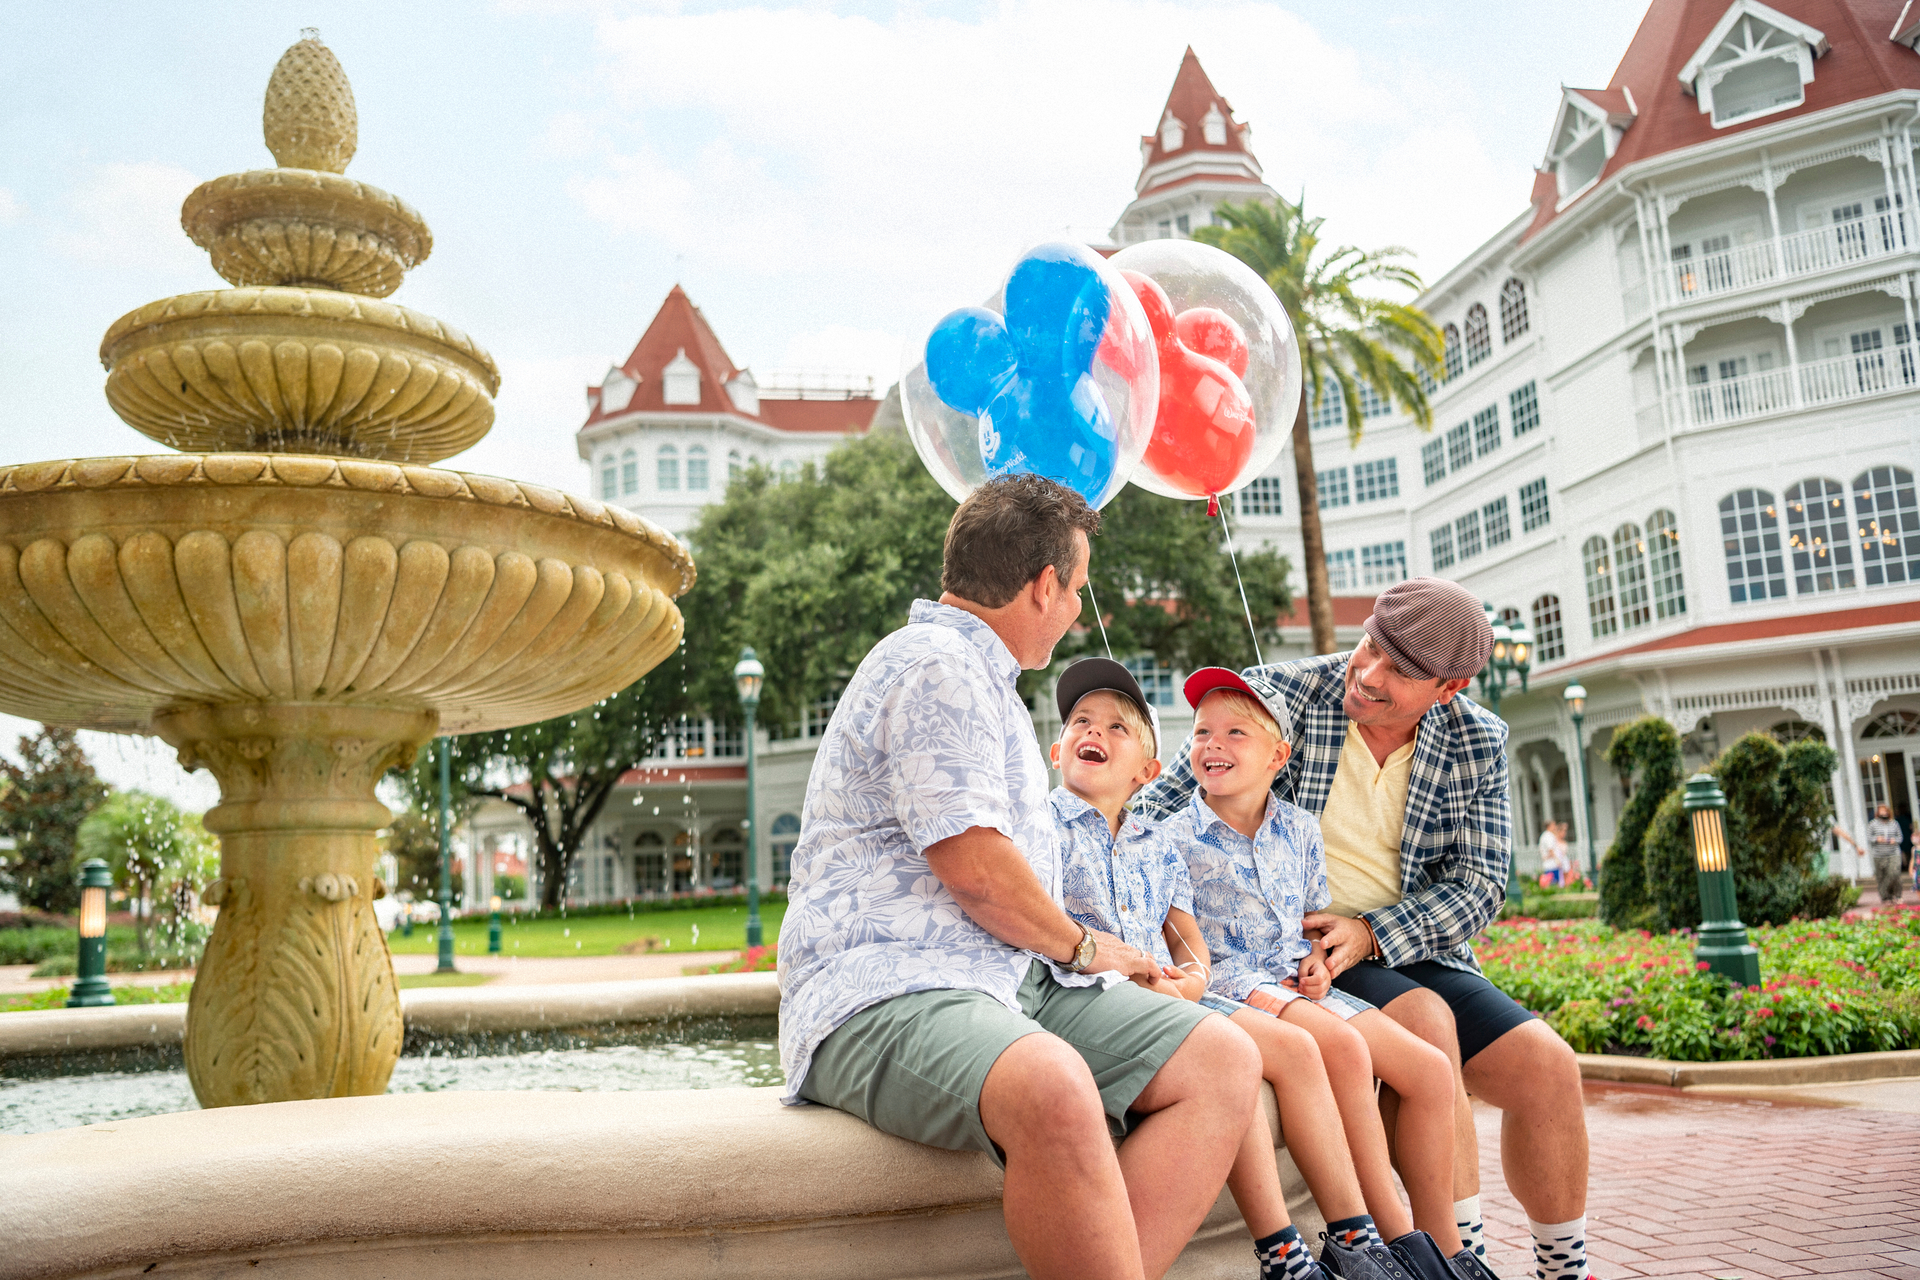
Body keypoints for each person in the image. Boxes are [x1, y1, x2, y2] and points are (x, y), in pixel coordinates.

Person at [776, 475, 1261, 1280]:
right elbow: (978, 875)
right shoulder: (935, 666)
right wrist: (1085, 949)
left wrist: (1101, 950)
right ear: (1045, 587)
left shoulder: (983, 680)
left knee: (1222, 1061)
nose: (1076, 610)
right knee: (1052, 1085)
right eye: (1077, 590)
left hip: (999, 980)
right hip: (887, 986)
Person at [1139, 577, 1592, 1280]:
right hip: (1298, 946)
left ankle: (1565, 1270)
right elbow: (1159, 803)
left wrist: (1373, 932)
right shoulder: (1285, 697)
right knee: (1428, 1026)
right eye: (1370, 648)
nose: (1370, 675)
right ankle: (1452, 1255)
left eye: (1401, 671)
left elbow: (1479, 885)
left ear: (1449, 687)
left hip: (1404, 938)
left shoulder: (1476, 739)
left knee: (1551, 1068)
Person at [1047, 657, 1436, 1280]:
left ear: (1148, 772)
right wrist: (1169, 978)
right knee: (1254, 1055)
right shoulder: (1047, 830)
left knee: (1327, 1054)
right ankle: (1289, 1250)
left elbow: (1187, 943)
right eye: (1082, 722)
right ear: (1054, 748)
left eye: (1118, 727)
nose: (1096, 732)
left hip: (1180, 997)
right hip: (1107, 1001)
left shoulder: (1153, 843)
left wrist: (1191, 978)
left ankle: (1370, 1241)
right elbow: (1041, 929)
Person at [1163, 668, 1494, 1280]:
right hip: (1230, 981)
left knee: (1430, 1070)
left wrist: (1317, 962)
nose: (1212, 744)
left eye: (1236, 732)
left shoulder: (1298, 828)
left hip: (1292, 978)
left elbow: (1308, 927)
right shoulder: (1171, 837)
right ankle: (1387, 1243)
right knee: (1342, 1047)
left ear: (1278, 755)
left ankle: (1447, 1254)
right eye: (1203, 732)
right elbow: (1177, 939)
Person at [1868, 803, 1905, 907]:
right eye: (1881, 811)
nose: (1883, 813)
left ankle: (1897, 895)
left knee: (1894, 873)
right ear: (1878, 812)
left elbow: (1900, 837)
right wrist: (1877, 839)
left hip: (1893, 853)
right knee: (1881, 877)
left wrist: (1894, 840)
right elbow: (1869, 837)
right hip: (1879, 854)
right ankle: (1886, 897)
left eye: (1885, 811)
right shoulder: (1872, 824)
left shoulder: (1894, 823)